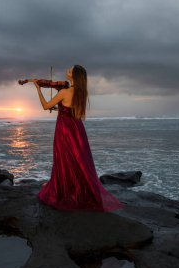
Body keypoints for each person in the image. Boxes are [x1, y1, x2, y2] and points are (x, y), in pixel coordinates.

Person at [33, 65, 125, 212]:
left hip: (65, 129)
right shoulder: (81, 93)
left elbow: (45, 106)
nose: (67, 71)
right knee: (79, 160)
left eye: (70, 70)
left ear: (74, 76)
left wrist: (37, 88)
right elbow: (70, 110)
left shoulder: (64, 91)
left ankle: (64, 189)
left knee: (63, 158)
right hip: (77, 128)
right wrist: (59, 106)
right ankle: (76, 188)